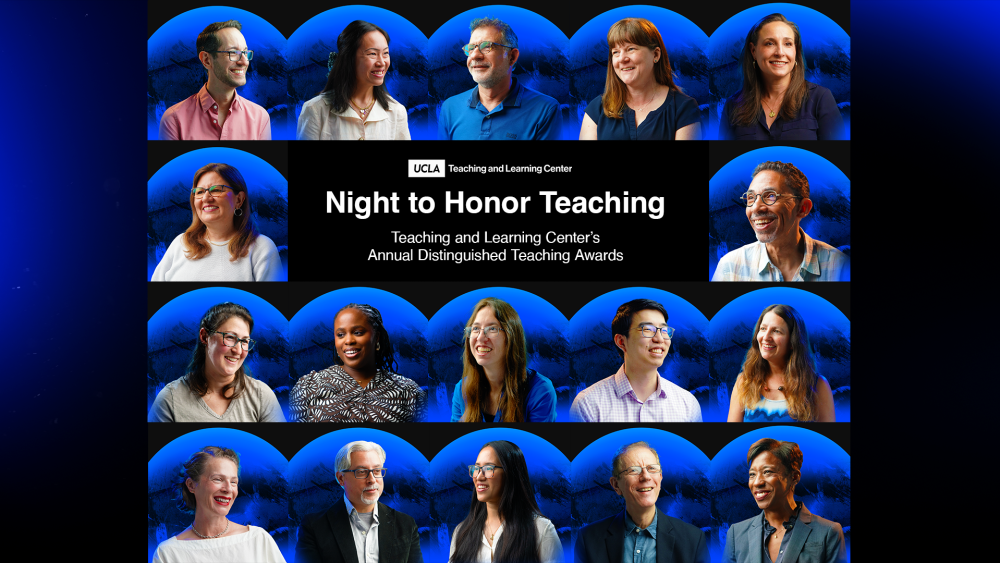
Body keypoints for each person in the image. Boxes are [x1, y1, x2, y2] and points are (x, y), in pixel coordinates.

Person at [711, 161, 849, 282]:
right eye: (751, 197)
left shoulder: (840, 266)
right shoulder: (729, 267)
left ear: (803, 208)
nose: (756, 208)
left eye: (770, 196)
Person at [148, 302, 285, 422]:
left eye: (244, 341)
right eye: (230, 337)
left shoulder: (262, 396)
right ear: (204, 337)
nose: (238, 350)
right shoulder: (170, 399)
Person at [575, 441, 709, 563]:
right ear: (616, 485)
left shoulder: (693, 540)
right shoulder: (588, 539)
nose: (645, 476)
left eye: (652, 469)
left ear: (660, 478)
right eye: (633, 470)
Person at [717, 13, 844, 141]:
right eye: (770, 43)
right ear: (753, 51)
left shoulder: (821, 98)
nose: (780, 52)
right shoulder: (732, 105)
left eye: (788, 44)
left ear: (796, 52)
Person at [290, 303, 426, 422]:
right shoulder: (308, 387)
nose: (348, 341)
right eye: (341, 334)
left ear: (376, 337)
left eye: (358, 332)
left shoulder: (409, 392)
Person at [570, 299, 701, 422]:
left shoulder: (688, 404)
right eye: (648, 329)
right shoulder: (587, 405)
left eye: (664, 330)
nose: (660, 339)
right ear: (621, 341)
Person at [151, 162, 283, 282]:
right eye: (199, 192)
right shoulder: (180, 243)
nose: (206, 198)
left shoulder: (262, 248)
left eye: (216, 190)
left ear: (239, 200)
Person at [152, 446, 286, 562]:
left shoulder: (257, 538)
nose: (228, 489)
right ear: (191, 485)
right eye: (218, 479)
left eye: (233, 482)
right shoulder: (168, 553)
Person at [296, 441, 423, 563]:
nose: (372, 480)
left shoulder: (406, 524)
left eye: (377, 471)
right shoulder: (314, 527)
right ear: (341, 478)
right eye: (362, 472)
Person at [724, 439, 846, 563]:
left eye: (767, 472)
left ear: (794, 477)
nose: (757, 482)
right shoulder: (736, 534)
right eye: (752, 474)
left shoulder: (828, 531)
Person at [438, 17, 560, 140]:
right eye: (470, 48)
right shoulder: (450, 108)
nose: (474, 55)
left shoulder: (546, 109)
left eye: (486, 46)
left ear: (512, 57)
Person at [580, 18, 701, 140]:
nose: (622, 59)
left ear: (656, 55)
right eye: (616, 52)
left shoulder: (684, 108)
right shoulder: (597, 109)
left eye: (631, 49)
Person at [449, 441, 563, 563]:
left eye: (488, 468)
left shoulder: (541, 529)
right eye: (476, 468)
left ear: (510, 474)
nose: (479, 477)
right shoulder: (461, 532)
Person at [296, 20, 410, 140]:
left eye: (385, 53)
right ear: (349, 59)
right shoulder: (315, 110)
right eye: (372, 53)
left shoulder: (397, 112)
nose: (381, 62)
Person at [159, 20, 271, 140]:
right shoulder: (174, 120)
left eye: (245, 52)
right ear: (206, 60)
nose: (244, 62)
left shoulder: (260, 117)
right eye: (233, 52)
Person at [451, 298, 557, 422]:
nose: (480, 338)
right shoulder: (461, 389)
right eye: (475, 329)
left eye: (492, 329)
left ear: (511, 337)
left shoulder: (540, 391)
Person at [727, 305, 835, 422]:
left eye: (776, 331)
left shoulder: (818, 385)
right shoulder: (744, 382)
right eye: (763, 329)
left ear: (792, 342)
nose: (766, 337)